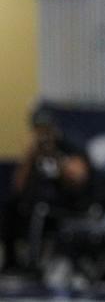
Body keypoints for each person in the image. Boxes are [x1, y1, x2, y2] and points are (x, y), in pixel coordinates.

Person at [1, 109, 90, 273]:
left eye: (46, 129)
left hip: (67, 203)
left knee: (40, 211)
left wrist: (56, 157)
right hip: (38, 201)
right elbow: (18, 187)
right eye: (38, 129)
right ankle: (11, 262)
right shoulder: (34, 151)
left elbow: (78, 179)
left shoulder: (68, 145)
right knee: (11, 206)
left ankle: (33, 264)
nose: (42, 133)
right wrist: (30, 157)